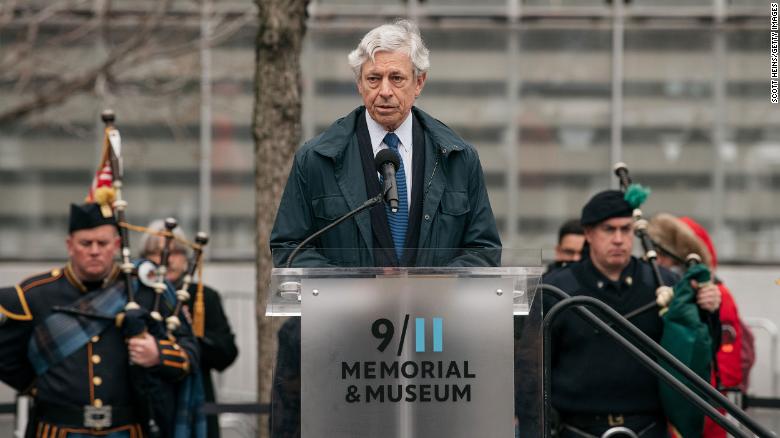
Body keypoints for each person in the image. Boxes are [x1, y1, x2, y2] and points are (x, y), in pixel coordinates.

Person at [269, 19, 501, 437]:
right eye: (373, 78)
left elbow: (484, 248)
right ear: (359, 84)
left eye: (397, 77)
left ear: (420, 83)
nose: (385, 91)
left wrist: (430, 286)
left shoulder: (458, 157)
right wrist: (359, 286)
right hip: (345, 345)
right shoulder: (317, 159)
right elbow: (289, 249)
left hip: (434, 345)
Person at [516, 190, 721, 438]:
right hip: (576, 430)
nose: (618, 239)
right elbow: (529, 372)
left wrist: (709, 312)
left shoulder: (664, 284)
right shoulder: (557, 289)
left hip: (648, 429)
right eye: (608, 229)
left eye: (626, 229)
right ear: (588, 234)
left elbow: (698, 352)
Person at [0, 203, 202, 437]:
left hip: (127, 430)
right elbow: (5, 355)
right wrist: (43, 387)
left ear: (116, 245)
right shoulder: (37, 293)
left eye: (103, 243)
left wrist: (158, 354)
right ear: (69, 246)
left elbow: (190, 354)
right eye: (86, 243)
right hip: (58, 429)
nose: (94, 251)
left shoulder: (147, 291)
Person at [648, 213, 753, 438]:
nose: (657, 260)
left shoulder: (715, 296)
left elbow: (727, 364)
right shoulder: (673, 295)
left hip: (704, 406)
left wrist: (710, 404)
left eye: (663, 254)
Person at [139, 220, 239, 438]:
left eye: (175, 252)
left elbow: (226, 354)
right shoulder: (137, 297)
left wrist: (189, 339)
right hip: (149, 400)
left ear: (186, 259)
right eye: (157, 252)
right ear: (144, 260)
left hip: (195, 399)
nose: (167, 259)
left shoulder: (203, 297)